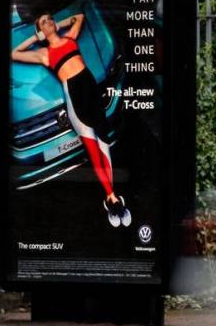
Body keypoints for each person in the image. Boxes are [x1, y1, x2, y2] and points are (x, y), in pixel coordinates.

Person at [13, 13, 130, 227]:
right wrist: (35, 37)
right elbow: (14, 53)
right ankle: (112, 198)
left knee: (104, 143)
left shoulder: (70, 39)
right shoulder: (44, 54)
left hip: (90, 87)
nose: (49, 22)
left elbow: (80, 17)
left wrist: (60, 24)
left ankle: (110, 198)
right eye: (44, 22)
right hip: (74, 95)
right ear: (40, 30)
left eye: (50, 19)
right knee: (93, 148)